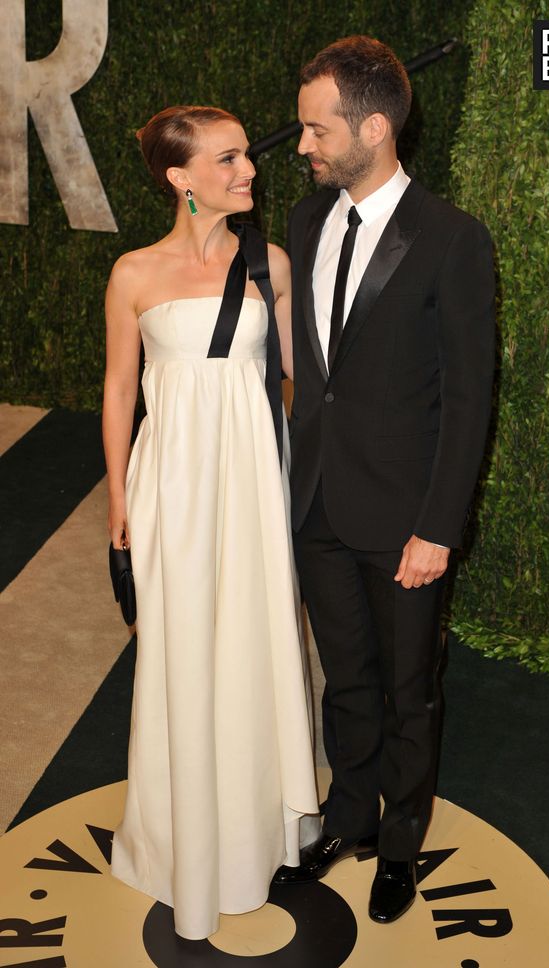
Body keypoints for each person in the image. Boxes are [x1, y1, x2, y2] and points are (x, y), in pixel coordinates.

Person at [274, 37, 495, 925]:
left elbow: (470, 398)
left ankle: (400, 843)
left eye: (315, 128)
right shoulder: (302, 220)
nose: (301, 146)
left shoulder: (452, 240)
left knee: (410, 688)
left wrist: (439, 526)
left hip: (406, 517)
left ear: (373, 126)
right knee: (348, 679)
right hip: (318, 501)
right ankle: (349, 816)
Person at [102, 105, 319, 941]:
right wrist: (121, 503)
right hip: (171, 491)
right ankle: (176, 843)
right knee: (180, 650)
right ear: (179, 178)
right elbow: (121, 391)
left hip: (252, 485)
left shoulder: (271, 264)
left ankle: (257, 829)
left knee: (255, 644)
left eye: (246, 158)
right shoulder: (133, 274)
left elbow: (305, 372)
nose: (250, 172)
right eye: (228, 160)